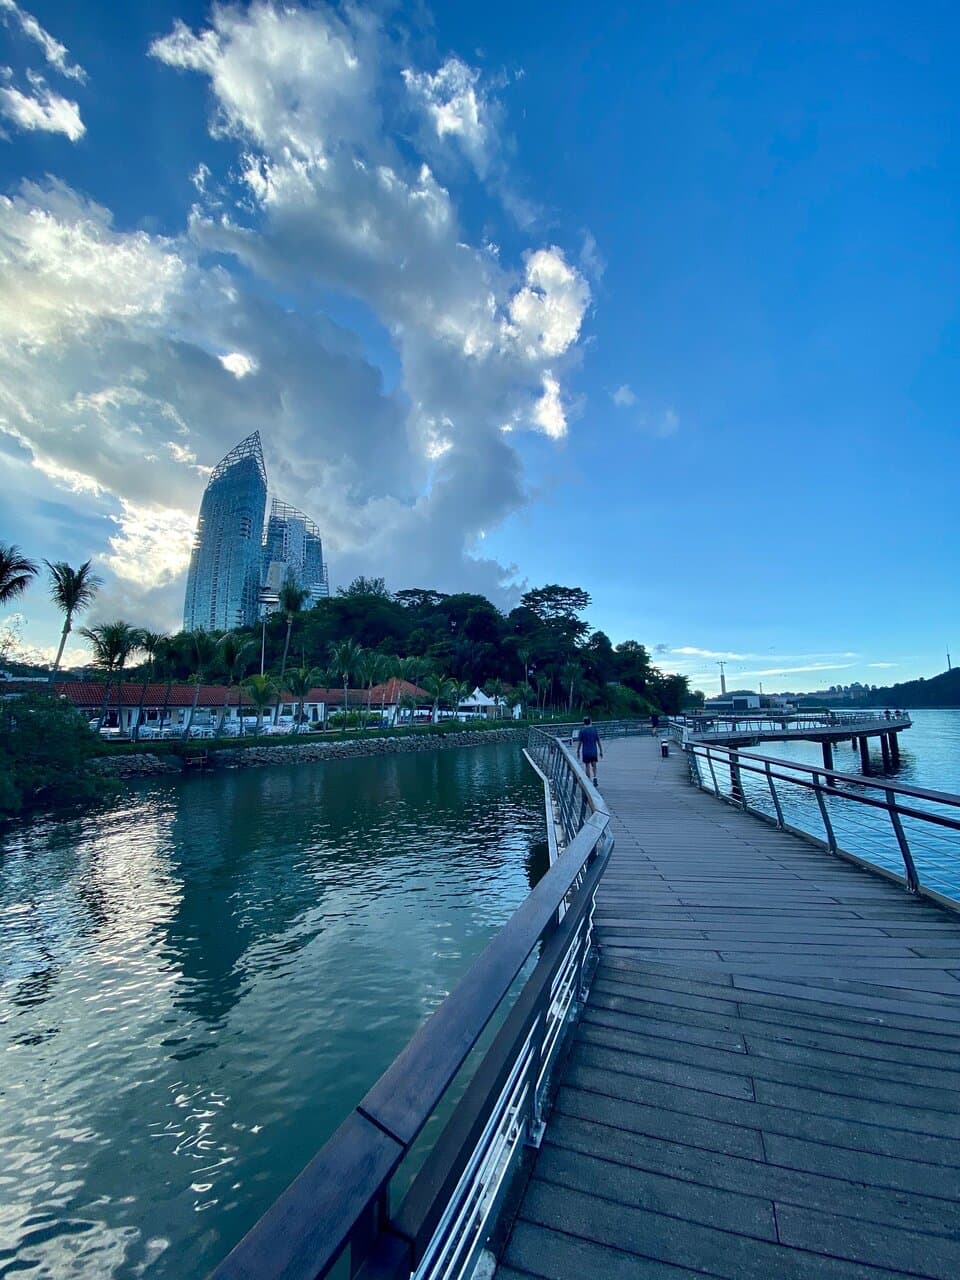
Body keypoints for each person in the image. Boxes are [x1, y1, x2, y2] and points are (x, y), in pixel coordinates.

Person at [577, 716, 603, 787]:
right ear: (590, 721)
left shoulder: (582, 731)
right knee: (594, 765)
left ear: (584, 722)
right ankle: (595, 777)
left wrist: (578, 751)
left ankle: (588, 781)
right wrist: (601, 751)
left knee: (587, 766)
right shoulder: (594, 730)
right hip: (594, 751)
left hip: (585, 751)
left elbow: (579, 742)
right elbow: (598, 741)